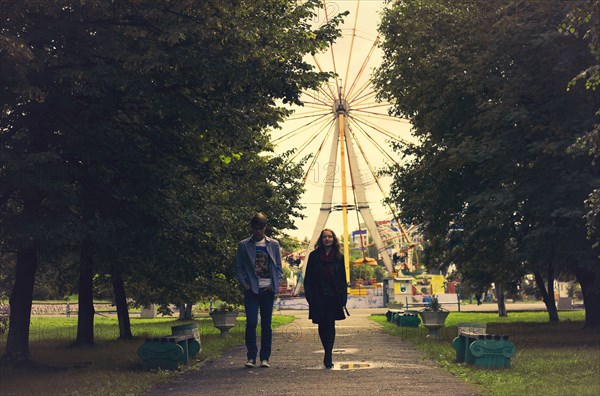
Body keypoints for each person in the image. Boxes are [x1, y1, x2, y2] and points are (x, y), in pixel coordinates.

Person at [235, 213, 283, 369]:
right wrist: (245, 284)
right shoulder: (243, 245)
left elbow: (278, 268)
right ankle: (251, 357)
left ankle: (265, 358)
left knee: (266, 324)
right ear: (251, 228)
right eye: (254, 229)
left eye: (260, 229)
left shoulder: (273, 244)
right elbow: (239, 267)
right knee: (251, 322)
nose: (257, 232)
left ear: (265, 228)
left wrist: (274, 284)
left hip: (267, 290)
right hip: (252, 291)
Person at [303, 228, 348, 369]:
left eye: (329, 237)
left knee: (331, 324)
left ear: (333, 239)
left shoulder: (339, 257)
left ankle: (328, 353)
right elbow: (308, 278)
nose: (327, 239)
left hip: (334, 296)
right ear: (321, 240)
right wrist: (310, 297)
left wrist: (343, 298)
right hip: (319, 296)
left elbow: (342, 279)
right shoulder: (314, 256)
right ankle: (326, 350)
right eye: (324, 237)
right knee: (322, 325)